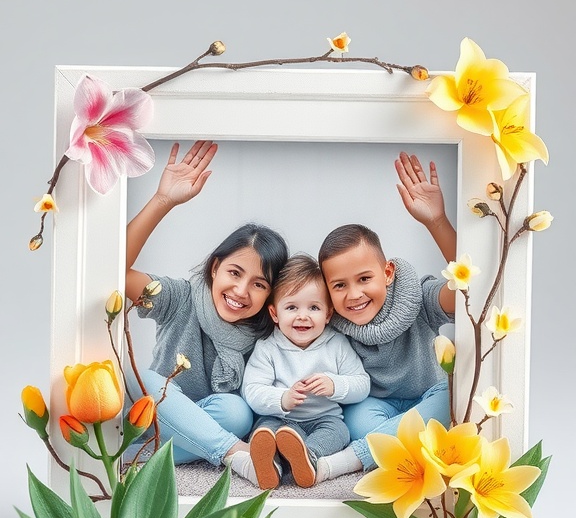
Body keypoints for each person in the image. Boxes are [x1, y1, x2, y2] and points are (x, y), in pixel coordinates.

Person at [126, 139, 289, 470]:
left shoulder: (272, 331)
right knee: (131, 372)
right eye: (234, 272)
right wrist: (162, 200)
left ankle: (132, 459)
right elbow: (110, 271)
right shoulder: (180, 298)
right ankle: (231, 452)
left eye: (259, 284)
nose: (241, 291)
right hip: (155, 416)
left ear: (270, 296)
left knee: (237, 411)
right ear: (215, 268)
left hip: (218, 420)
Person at [314, 151, 457, 482]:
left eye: (364, 279)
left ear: (387, 272)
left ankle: (348, 461)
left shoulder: (417, 298)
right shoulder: (332, 322)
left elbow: (470, 285)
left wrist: (436, 222)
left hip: (429, 397)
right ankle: (402, 447)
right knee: (358, 423)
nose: (354, 294)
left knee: (453, 395)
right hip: (375, 410)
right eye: (339, 285)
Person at [238, 255, 371, 488]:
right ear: (275, 314)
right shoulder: (268, 348)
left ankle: (307, 456)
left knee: (338, 432)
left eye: (314, 307)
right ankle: (271, 465)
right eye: (291, 307)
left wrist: (335, 385)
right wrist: (283, 398)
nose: (303, 316)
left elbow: (362, 384)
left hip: (324, 418)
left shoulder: (337, 344)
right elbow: (252, 390)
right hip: (280, 418)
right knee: (264, 431)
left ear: (328, 314)